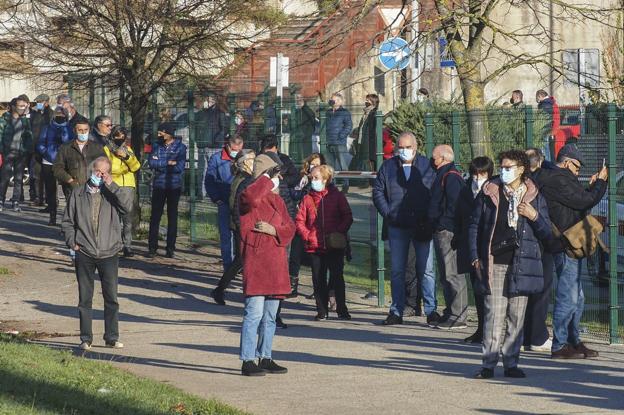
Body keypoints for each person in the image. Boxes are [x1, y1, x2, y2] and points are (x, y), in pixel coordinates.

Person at [470, 150, 552, 379]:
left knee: (516, 317)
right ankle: (488, 363)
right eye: (503, 167)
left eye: (509, 167)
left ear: (522, 169)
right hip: (495, 262)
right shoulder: (490, 192)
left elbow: (547, 232)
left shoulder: (534, 195)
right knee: (493, 315)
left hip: (522, 264)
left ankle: (511, 362)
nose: (504, 171)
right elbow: (474, 225)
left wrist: (534, 215)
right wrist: (475, 256)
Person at [536, 143, 607, 359]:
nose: (578, 172)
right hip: (565, 244)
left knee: (578, 297)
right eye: (577, 167)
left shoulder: (562, 178)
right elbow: (583, 201)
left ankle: (573, 340)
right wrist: (601, 183)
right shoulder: (557, 179)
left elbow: (578, 204)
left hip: (572, 242)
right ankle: (560, 345)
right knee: (568, 296)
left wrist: (593, 186)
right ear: (567, 162)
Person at [61, 156, 131, 350]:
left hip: (109, 252)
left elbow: (128, 208)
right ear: (91, 171)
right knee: (85, 298)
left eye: (104, 172)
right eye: (97, 171)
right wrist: (72, 242)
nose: (100, 175)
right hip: (85, 251)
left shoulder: (111, 194)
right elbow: (67, 221)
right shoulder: (77, 194)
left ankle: (111, 337)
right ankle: (85, 338)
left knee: (111, 297)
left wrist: (112, 185)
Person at [372, 132, 438, 326]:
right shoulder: (388, 166)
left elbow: (434, 192)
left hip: (422, 224)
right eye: (400, 147)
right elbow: (377, 191)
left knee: (427, 270)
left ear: (415, 147)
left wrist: (429, 216)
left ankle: (431, 310)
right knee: (397, 270)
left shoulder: (427, 165)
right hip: (397, 226)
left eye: (408, 147)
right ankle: (396, 311)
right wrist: (389, 213)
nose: (404, 150)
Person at [238, 154, 295, 376]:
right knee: (254, 314)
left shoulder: (278, 201)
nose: (277, 179)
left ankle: (265, 355)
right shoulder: (249, 196)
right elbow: (250, 198)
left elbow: (290, 229)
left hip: (276, 265)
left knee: (270, 317)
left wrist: (275, 231)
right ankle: (247, 359)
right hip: (258, 263)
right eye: (273, 175)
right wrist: (265, 179)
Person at [296, 164, 353, 320]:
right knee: (318, 277)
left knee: (337, 276)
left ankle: (342, 308)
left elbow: (347, 216)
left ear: (326, 179)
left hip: (334, 243)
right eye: (311, 178)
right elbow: (300, 220)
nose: (313, 181)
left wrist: (338, 232)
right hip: (315, 245)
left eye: (316, 178)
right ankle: (321, 310)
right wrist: (308, 235)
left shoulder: (337, 196)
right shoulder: (307, 198)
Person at [428, 144, 468, 329]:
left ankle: (459, 314)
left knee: (452, 273)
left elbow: (454, 205)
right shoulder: (443, 175)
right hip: (441, 230)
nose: (432, 160)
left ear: (443, 158)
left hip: (447, 231)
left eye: (434, 157)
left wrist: (443, 224)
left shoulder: (450, 177)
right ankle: (451, 311)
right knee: (445, 274)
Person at [456, 156, 494, 343]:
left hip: (489, 248)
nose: (478, 177)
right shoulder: (465, 191)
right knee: (477, 289)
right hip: (469, 247)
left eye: (483, 173)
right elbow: (459, 217)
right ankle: (481, 329)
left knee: (490, 291)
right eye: (475, 173)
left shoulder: (494, 192)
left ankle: (490, 330)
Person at [211, 149, 256, 306]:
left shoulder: (244, 177)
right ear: (244, 162)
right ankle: (220, 289)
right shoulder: (244, 179)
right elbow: (236, 205)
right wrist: (241, 224)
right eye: (251, 159)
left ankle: (222, 289)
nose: (254, 162)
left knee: (242, 259)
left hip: (240, 224)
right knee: (241, 259)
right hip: (241, 225)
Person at [522, 147, 555, 352]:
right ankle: (537, 336)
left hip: (528, 241)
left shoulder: (522, 182)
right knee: (541, 289)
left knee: (527, 290)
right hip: (541, 241)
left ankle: (527, 335)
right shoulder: (546, 179)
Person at [147, 122, 187, 258]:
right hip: (159, 185)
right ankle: (152, 247)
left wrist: (161, 164)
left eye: (161, 133)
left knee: (172, 216)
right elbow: (151, 163)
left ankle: (170, 248)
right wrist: (168, 163)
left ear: (169, 134)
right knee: (155, 217)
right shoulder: (156, 145)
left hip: (173, 186)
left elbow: (179, 167)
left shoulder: (180, 148)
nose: (158, 135)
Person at [205, 134, 244, 269]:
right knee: (226, 235)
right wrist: (217, 198)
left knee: (240, 235)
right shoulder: (217, 158)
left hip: (241, 203)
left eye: (238, 149)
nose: (236, 152)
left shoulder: (246, 159)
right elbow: (210, 180)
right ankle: (228, 266)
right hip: (224, 202)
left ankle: (240, 264)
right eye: (233, 149)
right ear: (228, 146)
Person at [103, 126, 141, 257]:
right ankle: (114, 244)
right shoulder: (106, 150)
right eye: (117, 136)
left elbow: (136, 166)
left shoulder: (128, 150)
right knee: (114, 216)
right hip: (113, 185)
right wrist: (122, 169)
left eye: (122, 136)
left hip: (128, 185)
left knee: (127, 217)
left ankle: (127, 246)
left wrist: (126, 157)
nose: (120, 139)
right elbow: (109, 168)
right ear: (112, 137)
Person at [37, 106, 72, 225]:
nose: (60, 117)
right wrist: (46, 153)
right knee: (51, 190)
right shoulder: (47, 127)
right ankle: (52, 217)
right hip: (48, 161)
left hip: (65, 163)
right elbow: (40, 143)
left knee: (68, 190)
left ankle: (69, 219)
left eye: (62, 115)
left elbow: (71, 143)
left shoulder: (69, 128)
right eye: (57, 114)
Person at [0, 96, 33, 212]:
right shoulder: (4, 119)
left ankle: (16, 201)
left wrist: (27, 149)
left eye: (24, 106)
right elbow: (0, 135)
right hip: (8, 154)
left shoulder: (25, 121)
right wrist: (2, 150)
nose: (22, 108)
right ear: (13, 107)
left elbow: (29, 136)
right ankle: (1, 200)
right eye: (20, 106)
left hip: (20, 154)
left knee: (18, 179)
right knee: (4, 178)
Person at [195, 94, 227, 199]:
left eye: (207, 100)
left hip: (214, 147)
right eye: (205, 100)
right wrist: (198, 139)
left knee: (215, 171)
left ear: (213, 102)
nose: (205, 102)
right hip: (202, 146)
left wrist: (216, 140)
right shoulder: (200, 114)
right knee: (202, 171)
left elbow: (223, 129)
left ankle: (215, 193)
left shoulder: (219, 114)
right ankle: (202, 194)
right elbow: (195, 128)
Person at [325, 92, 353, 191]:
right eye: (331, 99)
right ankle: (332, 186)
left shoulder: (344, 112)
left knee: (343, 165)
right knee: (330, 166)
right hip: (328, 142)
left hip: (339, 143)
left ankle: (346, 185)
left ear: (340, 101)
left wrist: (340, 136)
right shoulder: (327, 112)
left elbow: (349, 126)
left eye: (334, 99)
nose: (332, 101)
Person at [30, 94, 52, 205]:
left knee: (49, 176)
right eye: (37, 101)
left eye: (40, 101)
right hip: (35, 149)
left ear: (46, 102)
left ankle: (51, 199)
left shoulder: (51, 114)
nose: (38, 103)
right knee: (37, 175)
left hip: (47, 150)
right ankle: (39, 198)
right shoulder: (35, 114)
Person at [352, 93, 379, 172]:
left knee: (369, 161)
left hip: (369, 142)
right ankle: (364, 179)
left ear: (373, 102)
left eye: (368, 100)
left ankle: (370, 180)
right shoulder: (365, 113)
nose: (365, 102)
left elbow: (372, 129)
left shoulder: (374, 113)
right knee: (362, 161)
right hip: (362, 141)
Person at [288, 94, 316, 164]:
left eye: (300, 98)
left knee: (305, 159)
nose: (298, 100)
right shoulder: (294, 110)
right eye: (296, 99)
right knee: (295, 158)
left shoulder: (307, 110)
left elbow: (312, 121)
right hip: (295, 138)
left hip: (305, 139)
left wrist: (303, 106)